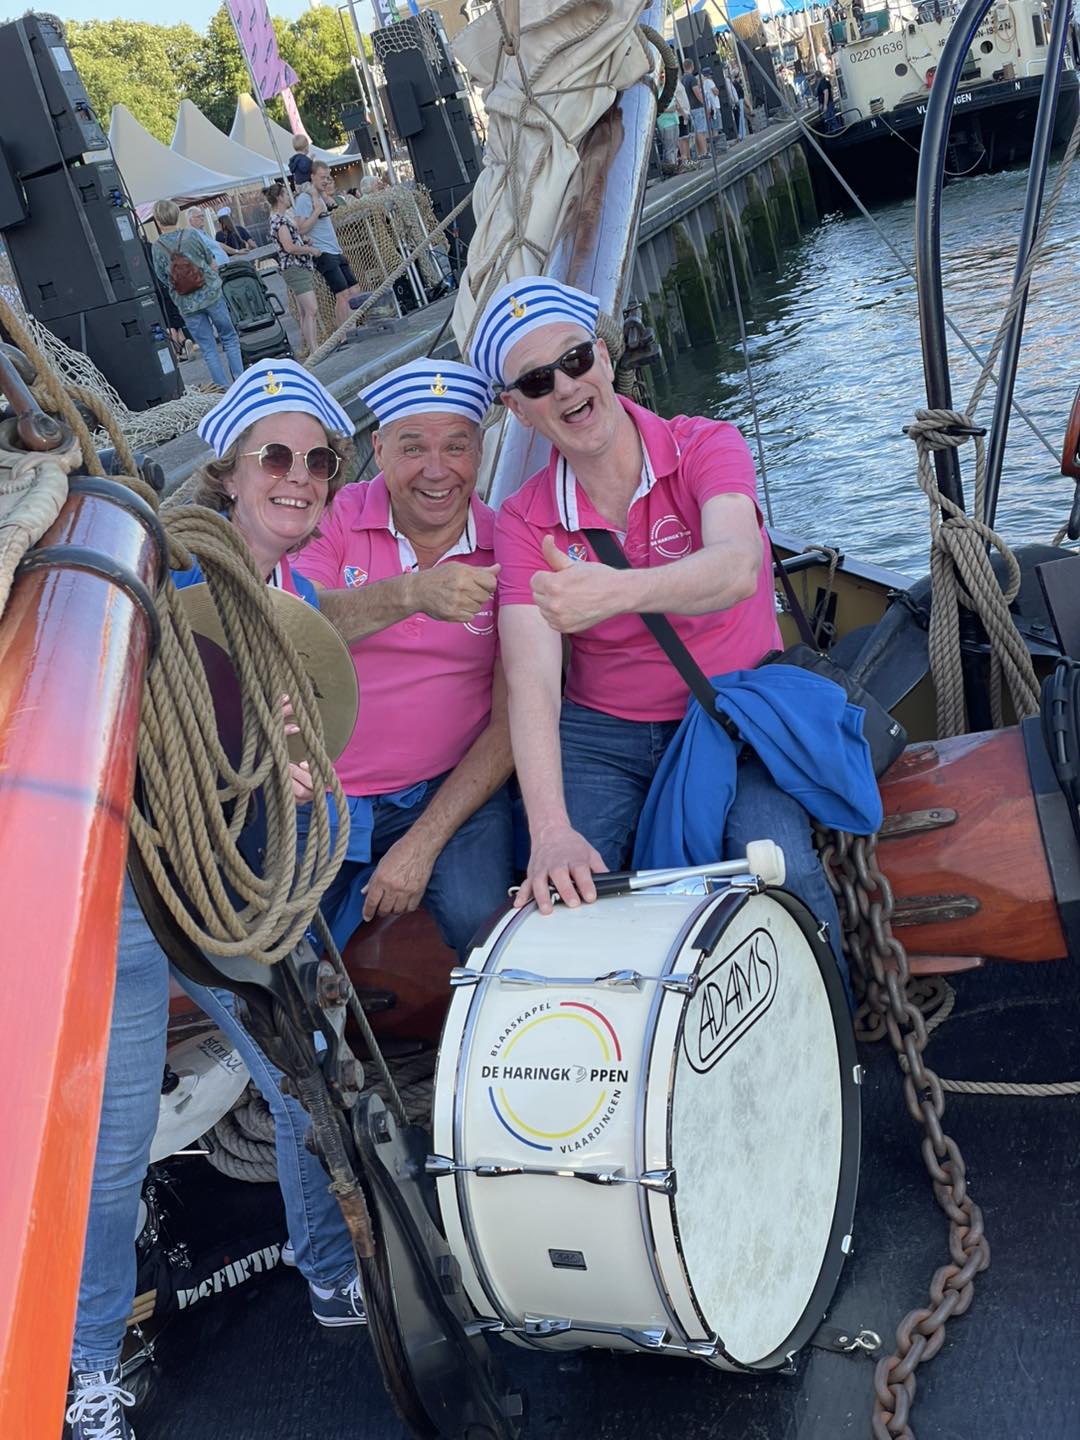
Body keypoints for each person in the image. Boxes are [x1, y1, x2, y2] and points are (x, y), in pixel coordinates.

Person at [65, 360, 363, 1440]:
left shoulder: (296, 608)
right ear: (228, 472)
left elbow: (292, 762)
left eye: (319, 463)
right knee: (112, 1141)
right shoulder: (160, 575)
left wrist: (288, 774)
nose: (299, 477)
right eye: (275, 456)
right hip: (138, 885)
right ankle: (87, 1360)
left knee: (305, 1079)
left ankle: (331, 1272)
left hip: (237, 882)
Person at [470, 276, 845, 954]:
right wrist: (551, 830)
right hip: (604, 735)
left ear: (605, 356)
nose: (566, 386)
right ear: (518, 409)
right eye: (537, 381)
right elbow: (533, 682)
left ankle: (834, 1010)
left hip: (733, 708)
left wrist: (615, 593)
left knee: (779, 865)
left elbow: (737, 567)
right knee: (563, 903)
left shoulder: (705, 446)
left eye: (575, 359)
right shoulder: (525, 520)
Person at [292, 358, 514, 961]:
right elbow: (298, 623)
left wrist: (421, 844)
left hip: (448, 788)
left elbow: (511, 723)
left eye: (457, 447)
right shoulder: (333, 516)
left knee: (483, 924)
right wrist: (412, 593)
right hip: (320, 792)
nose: (436, 470)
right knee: (275, 950)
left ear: (480, 451)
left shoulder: (507, 544)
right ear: (379, 449)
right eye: (413, 447)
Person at [151, 199, 243, 391]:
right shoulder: (191, 235)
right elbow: (210, 260)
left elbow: (161, 276)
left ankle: (223, 390)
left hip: (186, 303)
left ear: (158, 221)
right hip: (211, 294)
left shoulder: (157, 247)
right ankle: (241, 382)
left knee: (208, 348)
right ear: (177, 215)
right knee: (229, 337)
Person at [293, 163, 362, 329]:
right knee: (342, 294)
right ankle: (343, 334)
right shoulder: (304, 199)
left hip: (335, 249)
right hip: (323, 252)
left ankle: (352, 327)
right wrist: (317, 211)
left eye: (328, 177)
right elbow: (300, 229)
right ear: (312, 177)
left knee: (354, 290)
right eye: (322, 177)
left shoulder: (319, 197)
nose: (326, 181)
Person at [265, 179, 321, 359]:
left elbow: (289, 242)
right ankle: (314, 349)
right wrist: (310, 250)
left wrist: (303, 241)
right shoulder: (280, 221)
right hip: (295, 268)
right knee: (311, 309)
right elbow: (289, 247)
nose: (289, 198)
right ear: (280, 198)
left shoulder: (279, 219)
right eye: (286, 194)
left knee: (305, 311)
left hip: (297, 267)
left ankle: (313, 348)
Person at [682, 58, 709, 160]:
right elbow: (697, 93)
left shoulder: (682, 80)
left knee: (696, 131)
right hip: (697, 107)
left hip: (689, 108)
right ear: (692, 66)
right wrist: (705, 104)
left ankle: (699, 153)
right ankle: (704, 152)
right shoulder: (692, 79)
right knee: (701, 131)